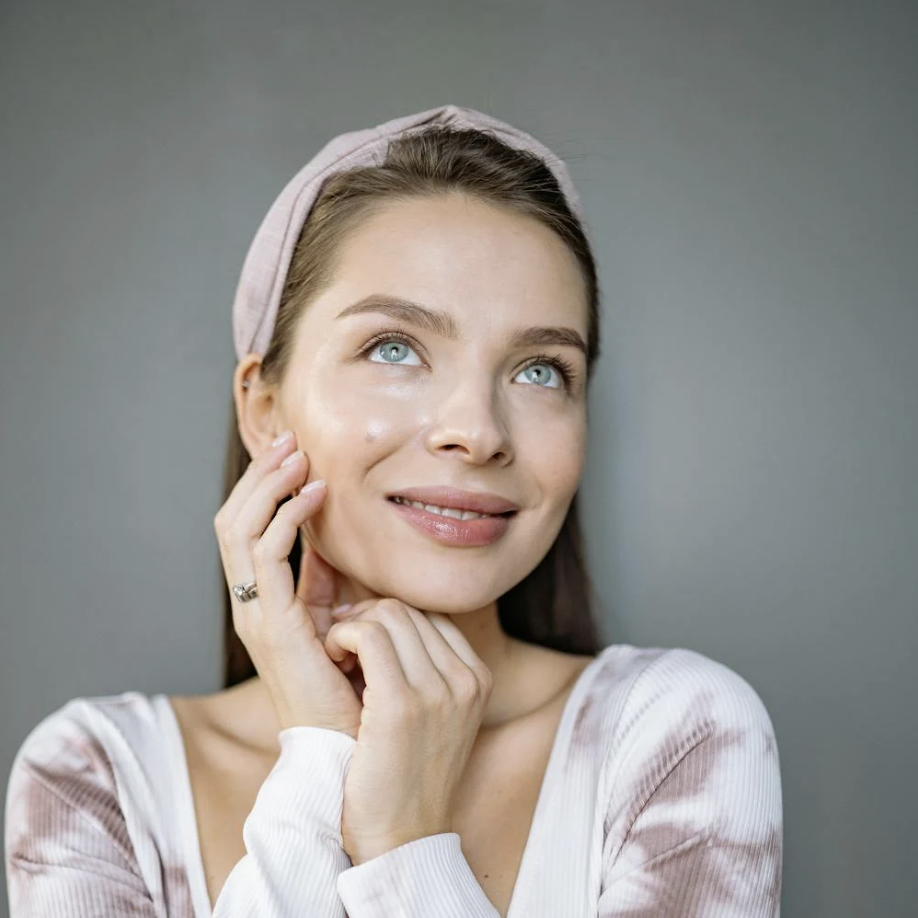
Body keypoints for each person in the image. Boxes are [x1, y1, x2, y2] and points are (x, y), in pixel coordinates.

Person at [3, 104, 783, 917]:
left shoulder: (679, 737)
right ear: (264, 408)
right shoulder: (97, 780)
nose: (478, 432)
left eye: (540, 370)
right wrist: (321, 755)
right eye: (394, 348)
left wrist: (405, 842)